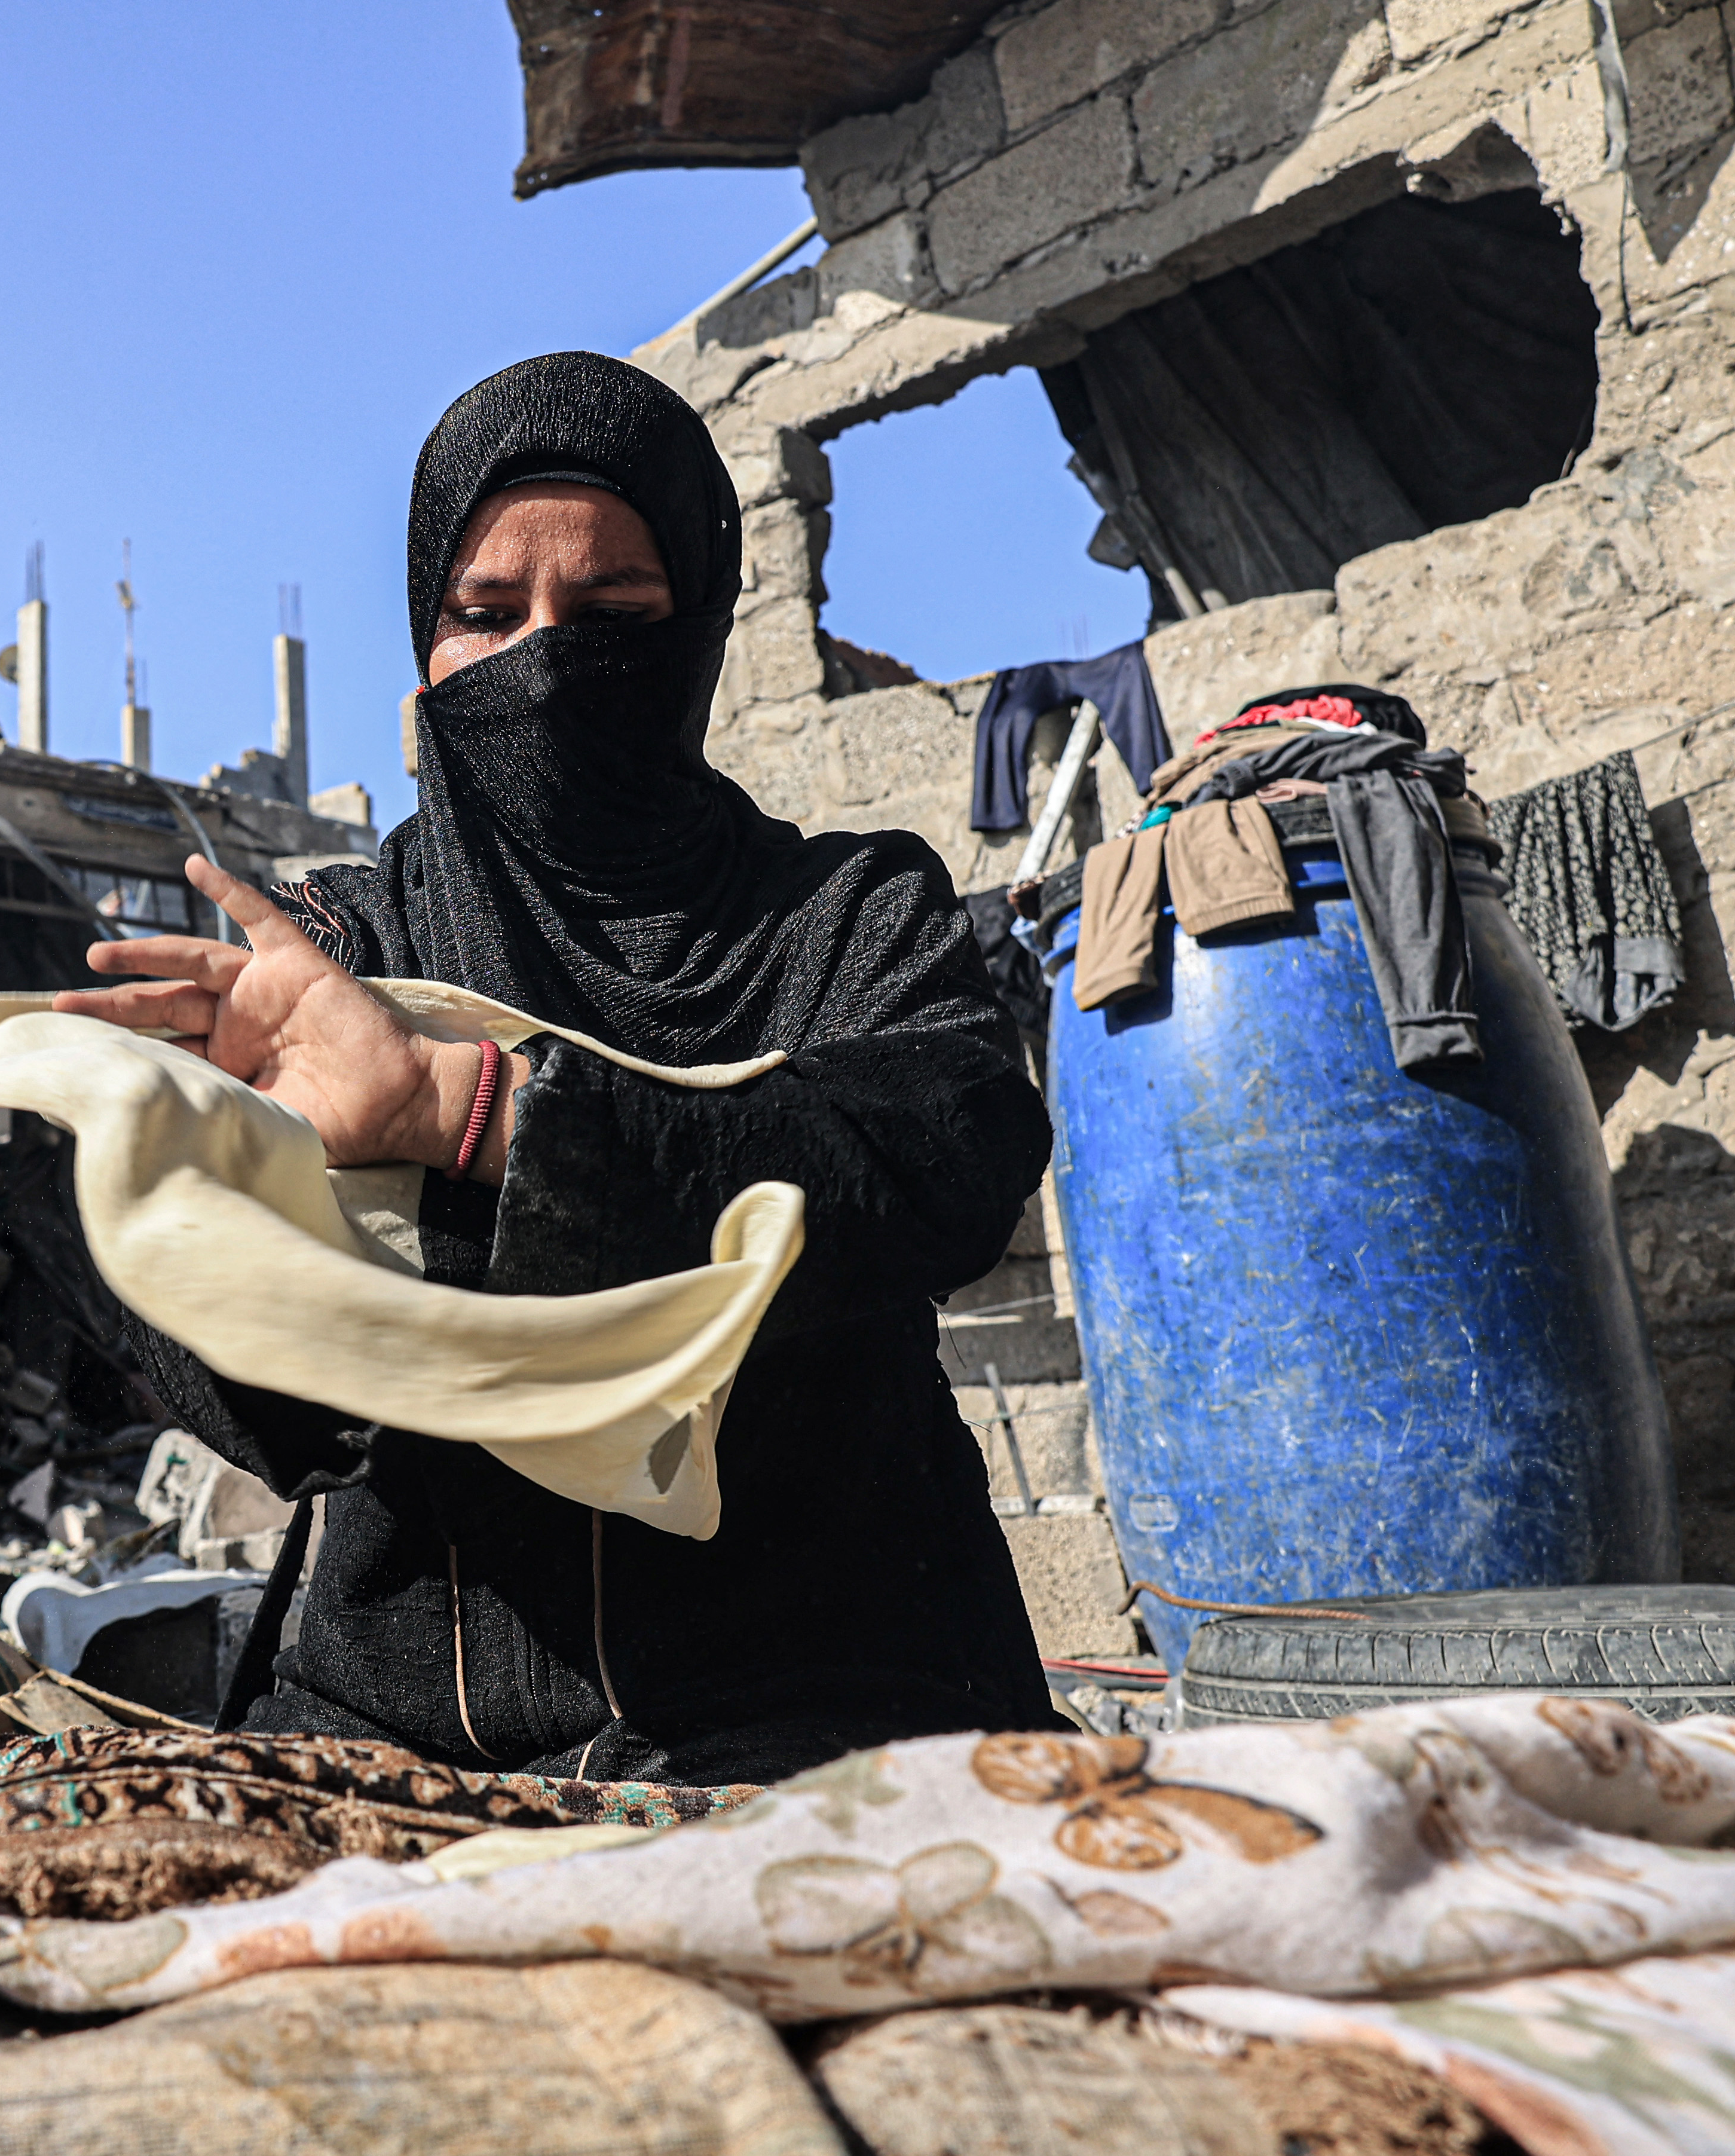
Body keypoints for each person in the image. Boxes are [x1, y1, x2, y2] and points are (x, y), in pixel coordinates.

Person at [58, 352, 1057, 1784]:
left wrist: (459, 1113)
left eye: (612, 617)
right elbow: (231, 1369)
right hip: (399, 1740)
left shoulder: (846, 918)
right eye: (487, 615)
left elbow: (938, 1163)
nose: (544, 663)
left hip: (835, 1710)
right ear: (426, 647)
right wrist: (202, 1180)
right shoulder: (344, 945)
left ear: (700, 630)